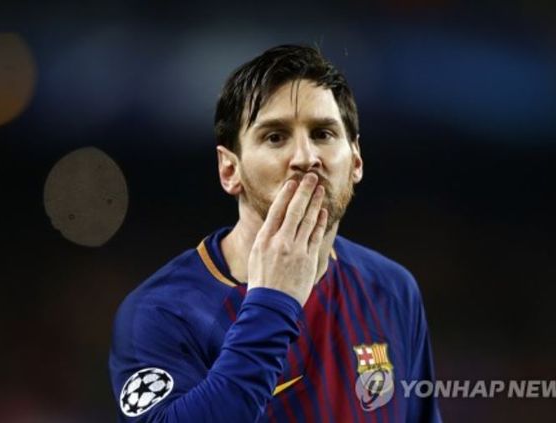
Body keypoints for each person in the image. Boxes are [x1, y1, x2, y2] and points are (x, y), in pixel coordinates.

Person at [109, 44, 442, 422]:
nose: (305, 158)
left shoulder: (392, 289)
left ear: (356, 160)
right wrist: (272, 302)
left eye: (323, 133)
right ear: (229, 169)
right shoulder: (162, 311)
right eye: (275, 137)